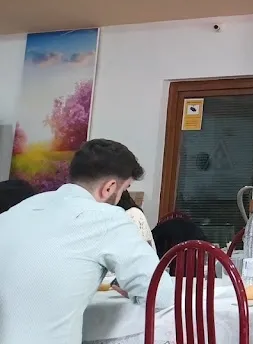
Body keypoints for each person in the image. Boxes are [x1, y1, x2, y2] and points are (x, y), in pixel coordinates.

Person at [0, 139, 174, 344]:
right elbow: (160, 294)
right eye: (124, 188)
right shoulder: (108, 218)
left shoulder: (20, 209)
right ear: (109, 188)